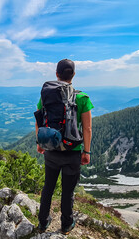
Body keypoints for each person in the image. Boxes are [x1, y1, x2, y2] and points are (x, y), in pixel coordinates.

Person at [36, 59, 93, 235]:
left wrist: (40, 143)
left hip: (51, 150)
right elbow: (87, 128)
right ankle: (67, 225)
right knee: (67, 191)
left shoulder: (46, 95)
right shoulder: (82, 98)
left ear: (57, 74)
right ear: (73, 75)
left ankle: (43, 222)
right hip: (72, 151)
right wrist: (86, 152)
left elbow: (39, 120)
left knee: (48, 187)